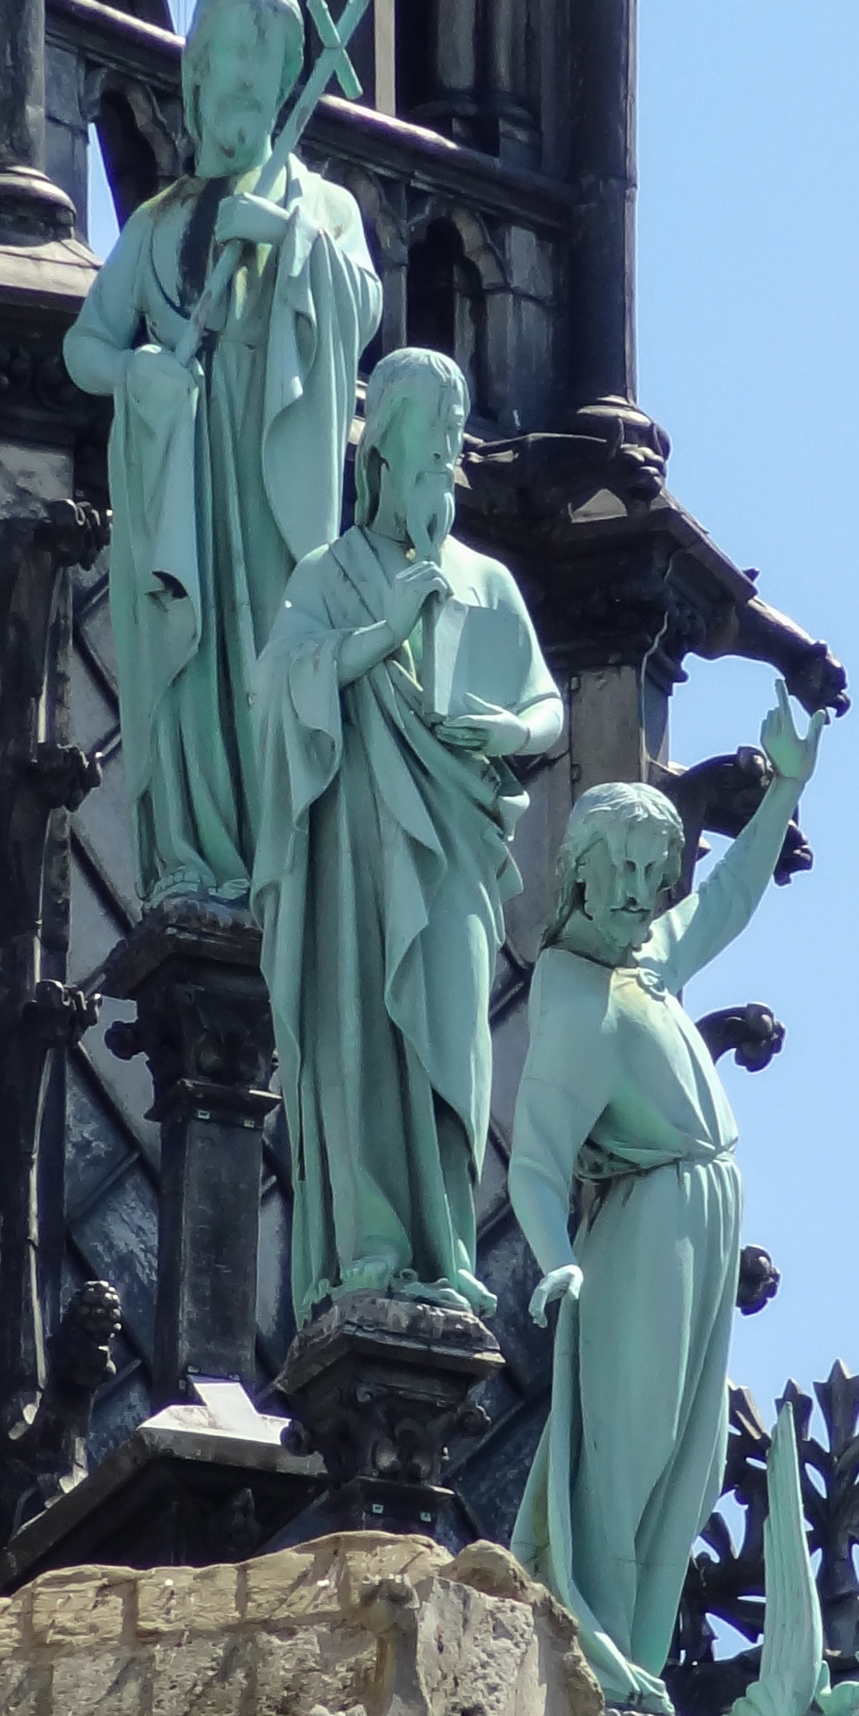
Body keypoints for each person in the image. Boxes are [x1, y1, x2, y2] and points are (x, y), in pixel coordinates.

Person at [508, 685, 826, 1711]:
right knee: (632, 1448)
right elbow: (539, 1160)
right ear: (579, 873)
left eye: (656, 872)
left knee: (687, 1465)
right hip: (644, 1229)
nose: (644, 890)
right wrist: (554, 1254)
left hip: (702, 1214)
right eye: (624, 871)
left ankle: (636, 1648)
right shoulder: (572, 995)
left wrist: (785, 789)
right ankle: (594, 1642)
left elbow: (729, 894)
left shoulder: (648, 959)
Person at [253, 349, 563, 1321]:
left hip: (455, 851)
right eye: (428, 440)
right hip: (354, 849)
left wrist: (511, 731)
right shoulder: (329, 574)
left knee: (451, 1050)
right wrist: (383, 636)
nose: (444, 460)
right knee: (358, 1036)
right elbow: (276, 694)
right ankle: (375, 1241)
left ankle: (446, 1241)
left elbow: (549, 706)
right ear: (381, 447)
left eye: (452, 440)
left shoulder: (488, 581)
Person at [62, 0, 381, 905]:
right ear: (194, 88)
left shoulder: (324, 208)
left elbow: (361, 309)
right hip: (183, 489)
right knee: (194, 670)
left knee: (269, 654)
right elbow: (87, 344)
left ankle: (274, 860)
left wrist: (287, 242)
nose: (238, 104)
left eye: (260, 87)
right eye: (223, 82)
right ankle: (201, 857)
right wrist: (140, 375)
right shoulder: (155, 227)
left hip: (275, 475)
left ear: (283, 90)